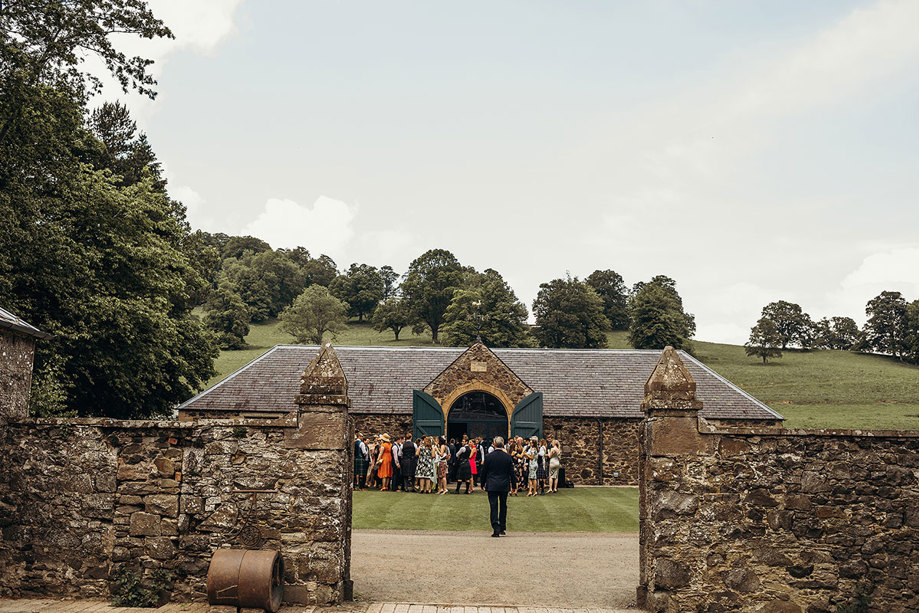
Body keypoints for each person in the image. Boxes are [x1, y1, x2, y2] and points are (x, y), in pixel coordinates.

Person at [480, 436, 516, 537]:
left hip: (492, 484)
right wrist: (514, 485)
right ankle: (502, 527)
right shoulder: (508, 457)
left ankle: (496, 527)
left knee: (493, 506)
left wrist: (482, 483)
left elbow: (484, 472)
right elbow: (511, 473)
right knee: (503, 506)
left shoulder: (489, 457)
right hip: (504, 484)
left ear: (494, 444)